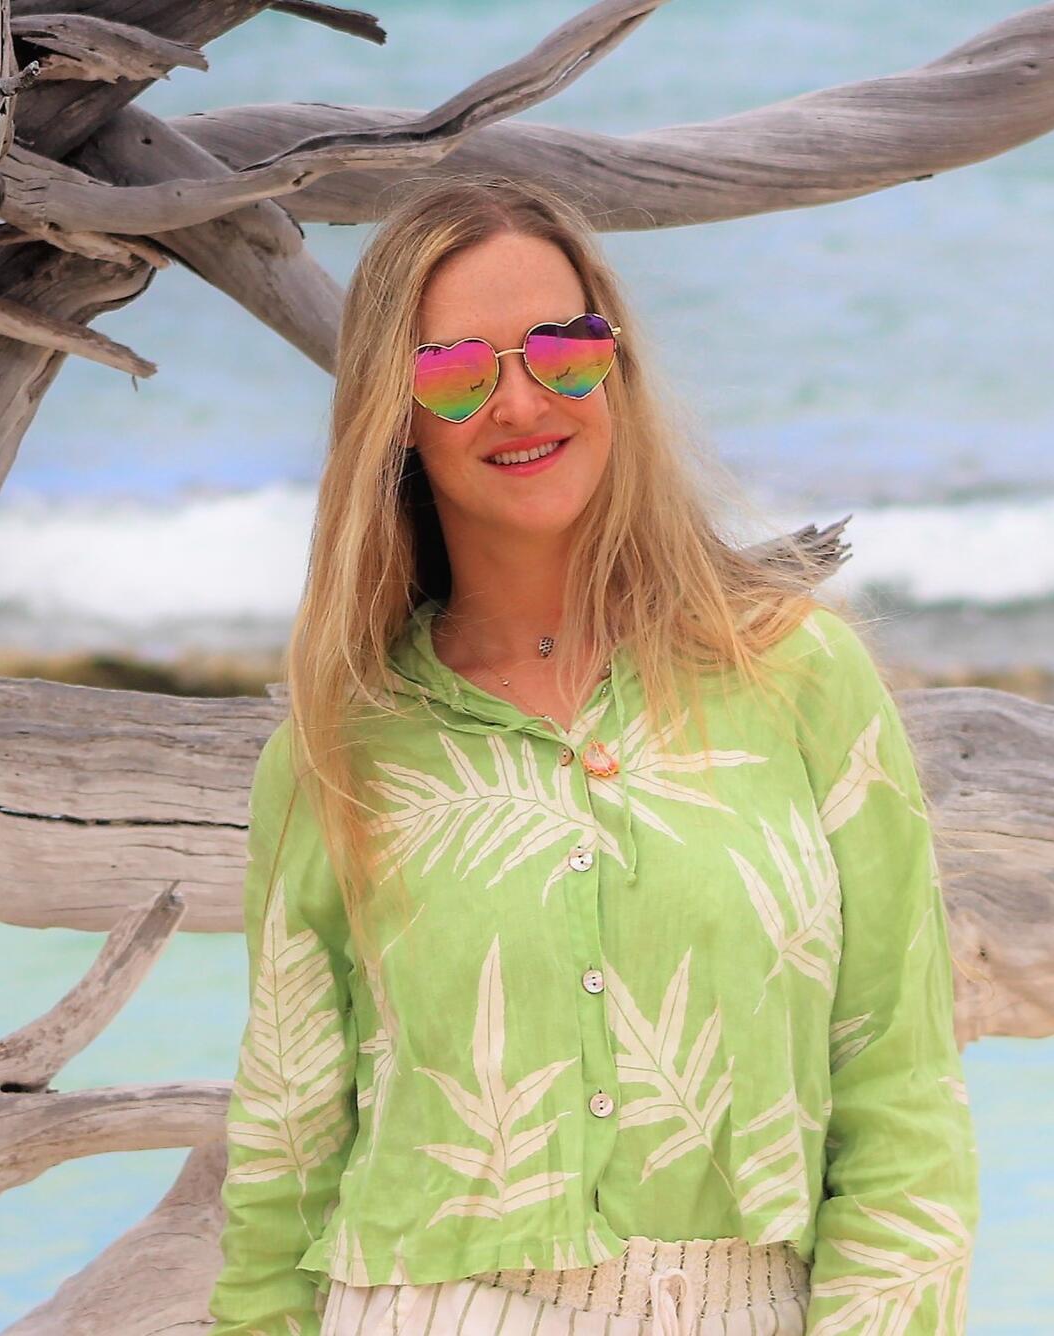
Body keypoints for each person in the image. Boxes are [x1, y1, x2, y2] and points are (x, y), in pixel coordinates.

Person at [205, 172, 980, 1336]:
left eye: (561, 350)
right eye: (460, 372)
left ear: (612, 364)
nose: (522, 403)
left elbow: (902, 1096)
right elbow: (284, 1166)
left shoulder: (800, 678)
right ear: (396, 415)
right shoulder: (337, 752)